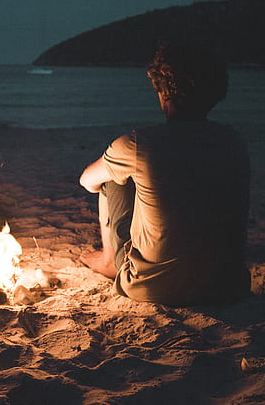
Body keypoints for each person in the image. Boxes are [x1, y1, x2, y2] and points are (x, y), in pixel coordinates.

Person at [79, 46, 250, 306]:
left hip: (154, 288)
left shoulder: (139, 144)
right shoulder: (233, 141)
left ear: (162, 92)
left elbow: (87, 181)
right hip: (227, 285)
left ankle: (108, 260)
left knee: (112, 177)